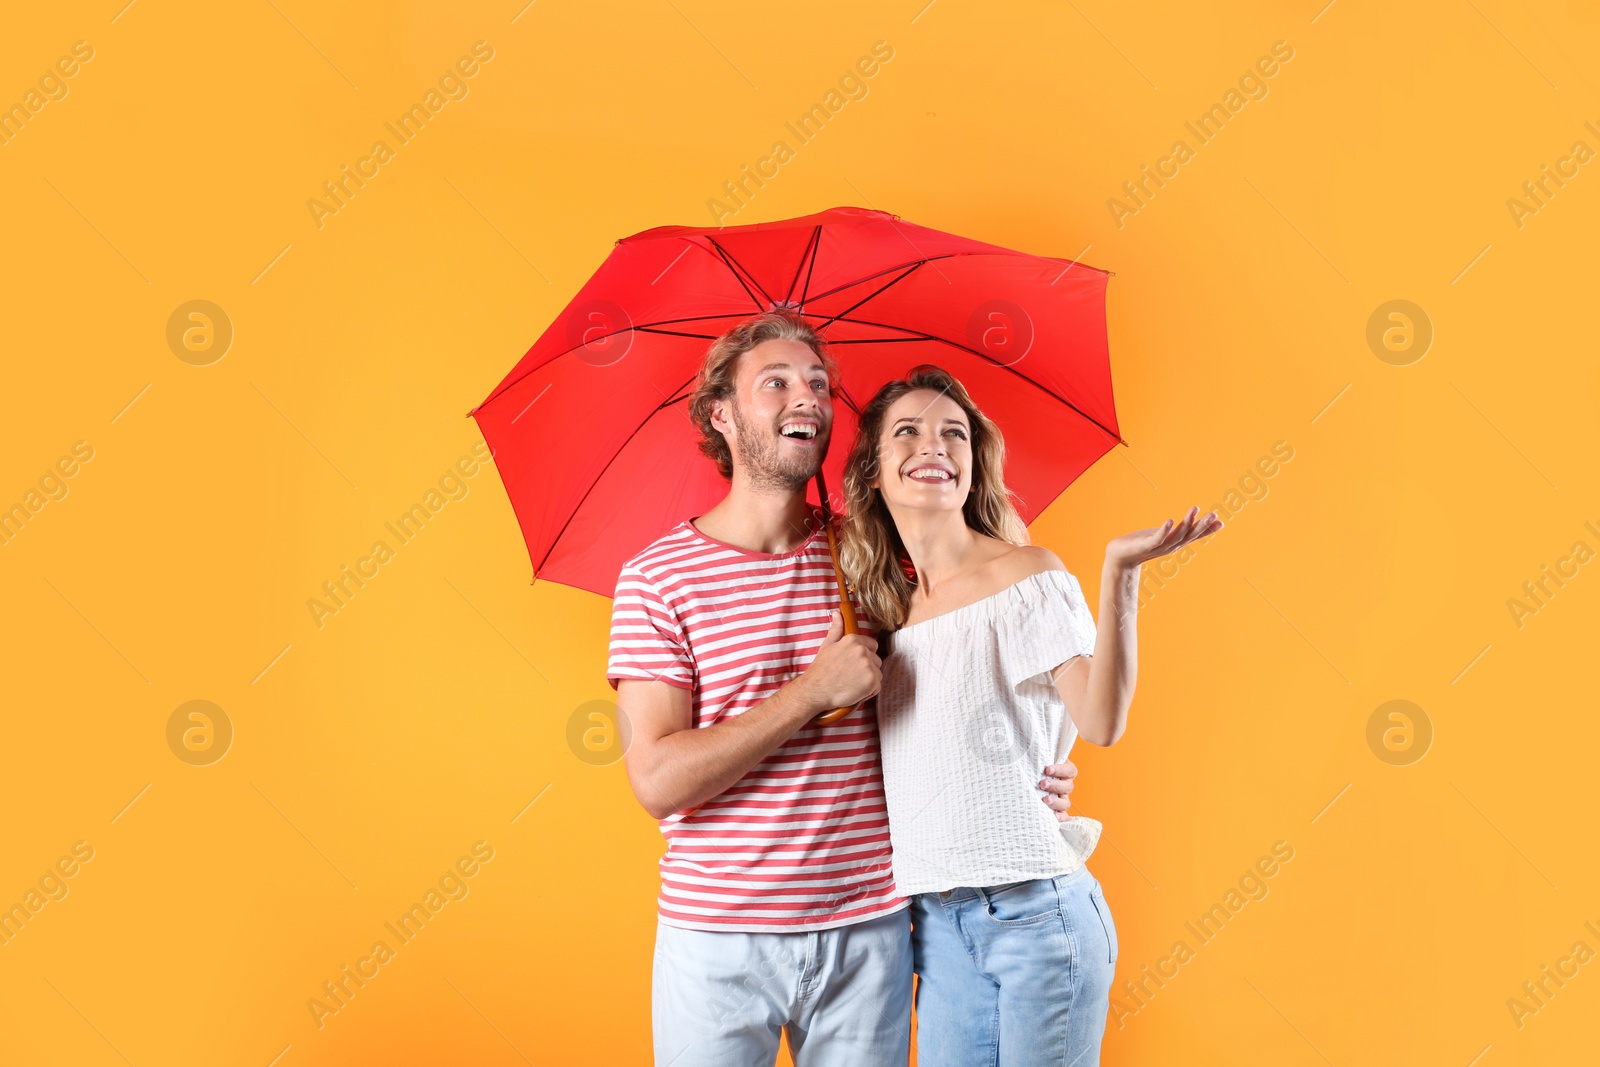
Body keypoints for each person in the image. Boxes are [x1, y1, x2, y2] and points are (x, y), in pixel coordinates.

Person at [605, 313, 1081, 1067]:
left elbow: (978, 682)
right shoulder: (657, 579)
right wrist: (809, 692)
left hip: (872, 931)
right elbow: (659, 781)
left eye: (820, 384)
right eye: (778, 382)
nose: (809, 398)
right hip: (718, 938)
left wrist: (1033, 767)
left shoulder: (871, 559)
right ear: (721, 414)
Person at [837, 364, 1221, 1066]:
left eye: (955, 432)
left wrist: (1119, 574)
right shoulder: (887, 617)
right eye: (909, 432)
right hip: (937, 925)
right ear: (872, 473)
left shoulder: (1025, 574)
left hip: (1037, 918)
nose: (936, 444)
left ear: (974, 464)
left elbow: (1099, 720)